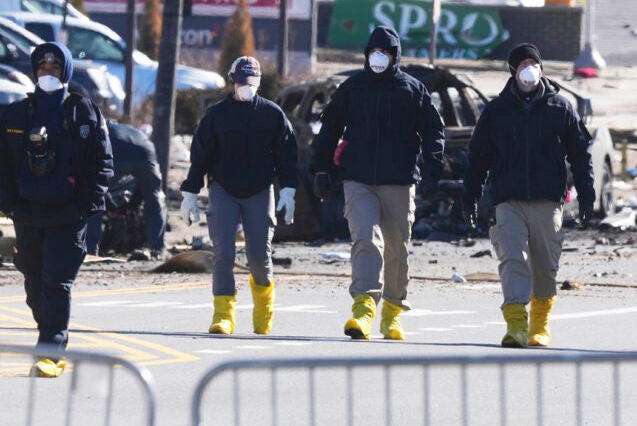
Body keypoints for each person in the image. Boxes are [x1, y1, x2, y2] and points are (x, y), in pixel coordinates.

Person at [311, 25, 445, 340]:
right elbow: (329, 130)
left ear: (395, 55)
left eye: (384, 52)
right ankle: (363, 308)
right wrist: (321, 170)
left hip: (399, 181)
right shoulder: (352, 88)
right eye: (373, 52)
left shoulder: (413, 89)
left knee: (397, 248)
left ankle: (393, 313)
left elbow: (433, 132)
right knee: (365, 240)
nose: (378, 57)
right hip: (357, 179)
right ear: (366, 55)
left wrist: (433, 171)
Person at [462, 42, 594, 348]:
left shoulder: (560, 108)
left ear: (541, 67)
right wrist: (469, 197)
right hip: (508, 201)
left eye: (532, 64)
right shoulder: (496, 111)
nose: (528, 70)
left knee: (545, 265)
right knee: (513, 260)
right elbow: (478, 157)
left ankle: (540, 324)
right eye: (521, 65)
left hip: (548, 201)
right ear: (512, 72)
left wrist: (588, 196)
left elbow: (580, 155)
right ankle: (516, 325)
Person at [0, 41, 113, 377]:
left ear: (64, 72)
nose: (47, 72)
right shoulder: (16, 113)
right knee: (34, 285)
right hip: (27, 213)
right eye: (42, 68)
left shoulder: (84, 111)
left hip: (68, 215)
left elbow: (102, 164)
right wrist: (9, 204)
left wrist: (84, 205)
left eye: (53, 67)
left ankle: (50, 351)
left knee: (57, 283)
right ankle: (48, 331)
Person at [179, 56, 297, 336]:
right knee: (224, 252)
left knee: (258, 255)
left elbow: (287, 156)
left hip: (259, 190)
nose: (247, 88)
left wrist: (289, 189)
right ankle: (223, 315)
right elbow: (201, 155)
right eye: (243, 82)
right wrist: (190, 193)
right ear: (233, 81)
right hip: (223, 190)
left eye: (252, 83)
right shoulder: (216, 115)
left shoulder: (272, 114)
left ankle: (264, 310)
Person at [85, 121, 167, 260]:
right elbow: (144, 189)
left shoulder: (101, 129)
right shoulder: (130, 128)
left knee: (95, 197)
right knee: (154, 199)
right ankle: (158, 249)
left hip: (118, 153)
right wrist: (133, 203)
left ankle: (91, 250)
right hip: (146, 152)